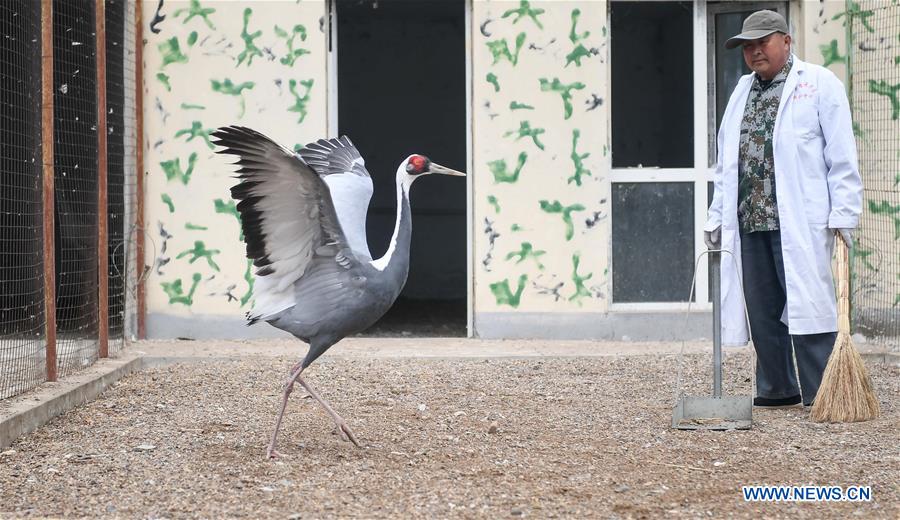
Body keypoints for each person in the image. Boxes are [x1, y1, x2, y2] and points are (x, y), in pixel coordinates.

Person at [704, 10, 862, 408]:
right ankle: (777, 388)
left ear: (787, 41)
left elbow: (841, 157)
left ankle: (822, 391)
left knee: (810, 306)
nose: (755, 51)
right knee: (762, 310)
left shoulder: (819, 84)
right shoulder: (741, 90)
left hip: (800, 220)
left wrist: (844, 213)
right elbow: (728, 162)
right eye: (748, 46)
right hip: (750, 220)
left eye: (763, 42)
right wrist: (716, 213)